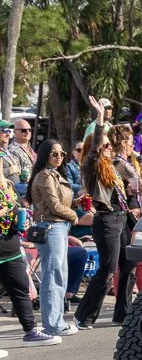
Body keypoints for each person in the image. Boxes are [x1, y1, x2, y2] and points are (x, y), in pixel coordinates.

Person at [74, 97, 137, 327]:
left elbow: (133, 173)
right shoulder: (92, 166)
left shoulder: (113, 167)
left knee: (129, 265)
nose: (110, 148)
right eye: (107, 145)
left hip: (122, 217)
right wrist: (101, 119)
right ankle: (84, 316)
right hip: (107, 220)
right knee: (108, 269)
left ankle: (123, 313)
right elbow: (96, 146)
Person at [0, 163, 61, 346]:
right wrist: (7, 208)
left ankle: (30, 331)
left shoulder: (8, 186)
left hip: (10, 246)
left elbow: (18, 206)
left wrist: (19, 213)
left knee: (20, 288)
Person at [26, 139, 80, 337]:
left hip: (58, 226)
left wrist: (75, 202)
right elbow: (53, 206)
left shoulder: (54, 174)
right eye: (54, 153)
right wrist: (74, 215)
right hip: (50, 226)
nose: (59, 157)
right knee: (53, 275)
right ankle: (52, 325)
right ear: (44, 156)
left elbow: (59, 203)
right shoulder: (44, 176)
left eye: (61, 153)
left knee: (59, 274)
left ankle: (56, 321)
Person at [110, 124, 142, 294]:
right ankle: (138, 298)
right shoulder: (120, 164)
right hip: (130, 214)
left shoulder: (123, 163)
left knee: (136, 262)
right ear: (124, 142)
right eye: (131, 142)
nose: (133, 146)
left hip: (134, 213)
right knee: (132, 261)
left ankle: (139, 298)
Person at [9, 119, 36, 197]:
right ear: (14, 132)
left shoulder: (29, 148)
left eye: (29, 130)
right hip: (24, 192)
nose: (27, 132)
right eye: (23, 130)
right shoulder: (13, 150)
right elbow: (17, 177)